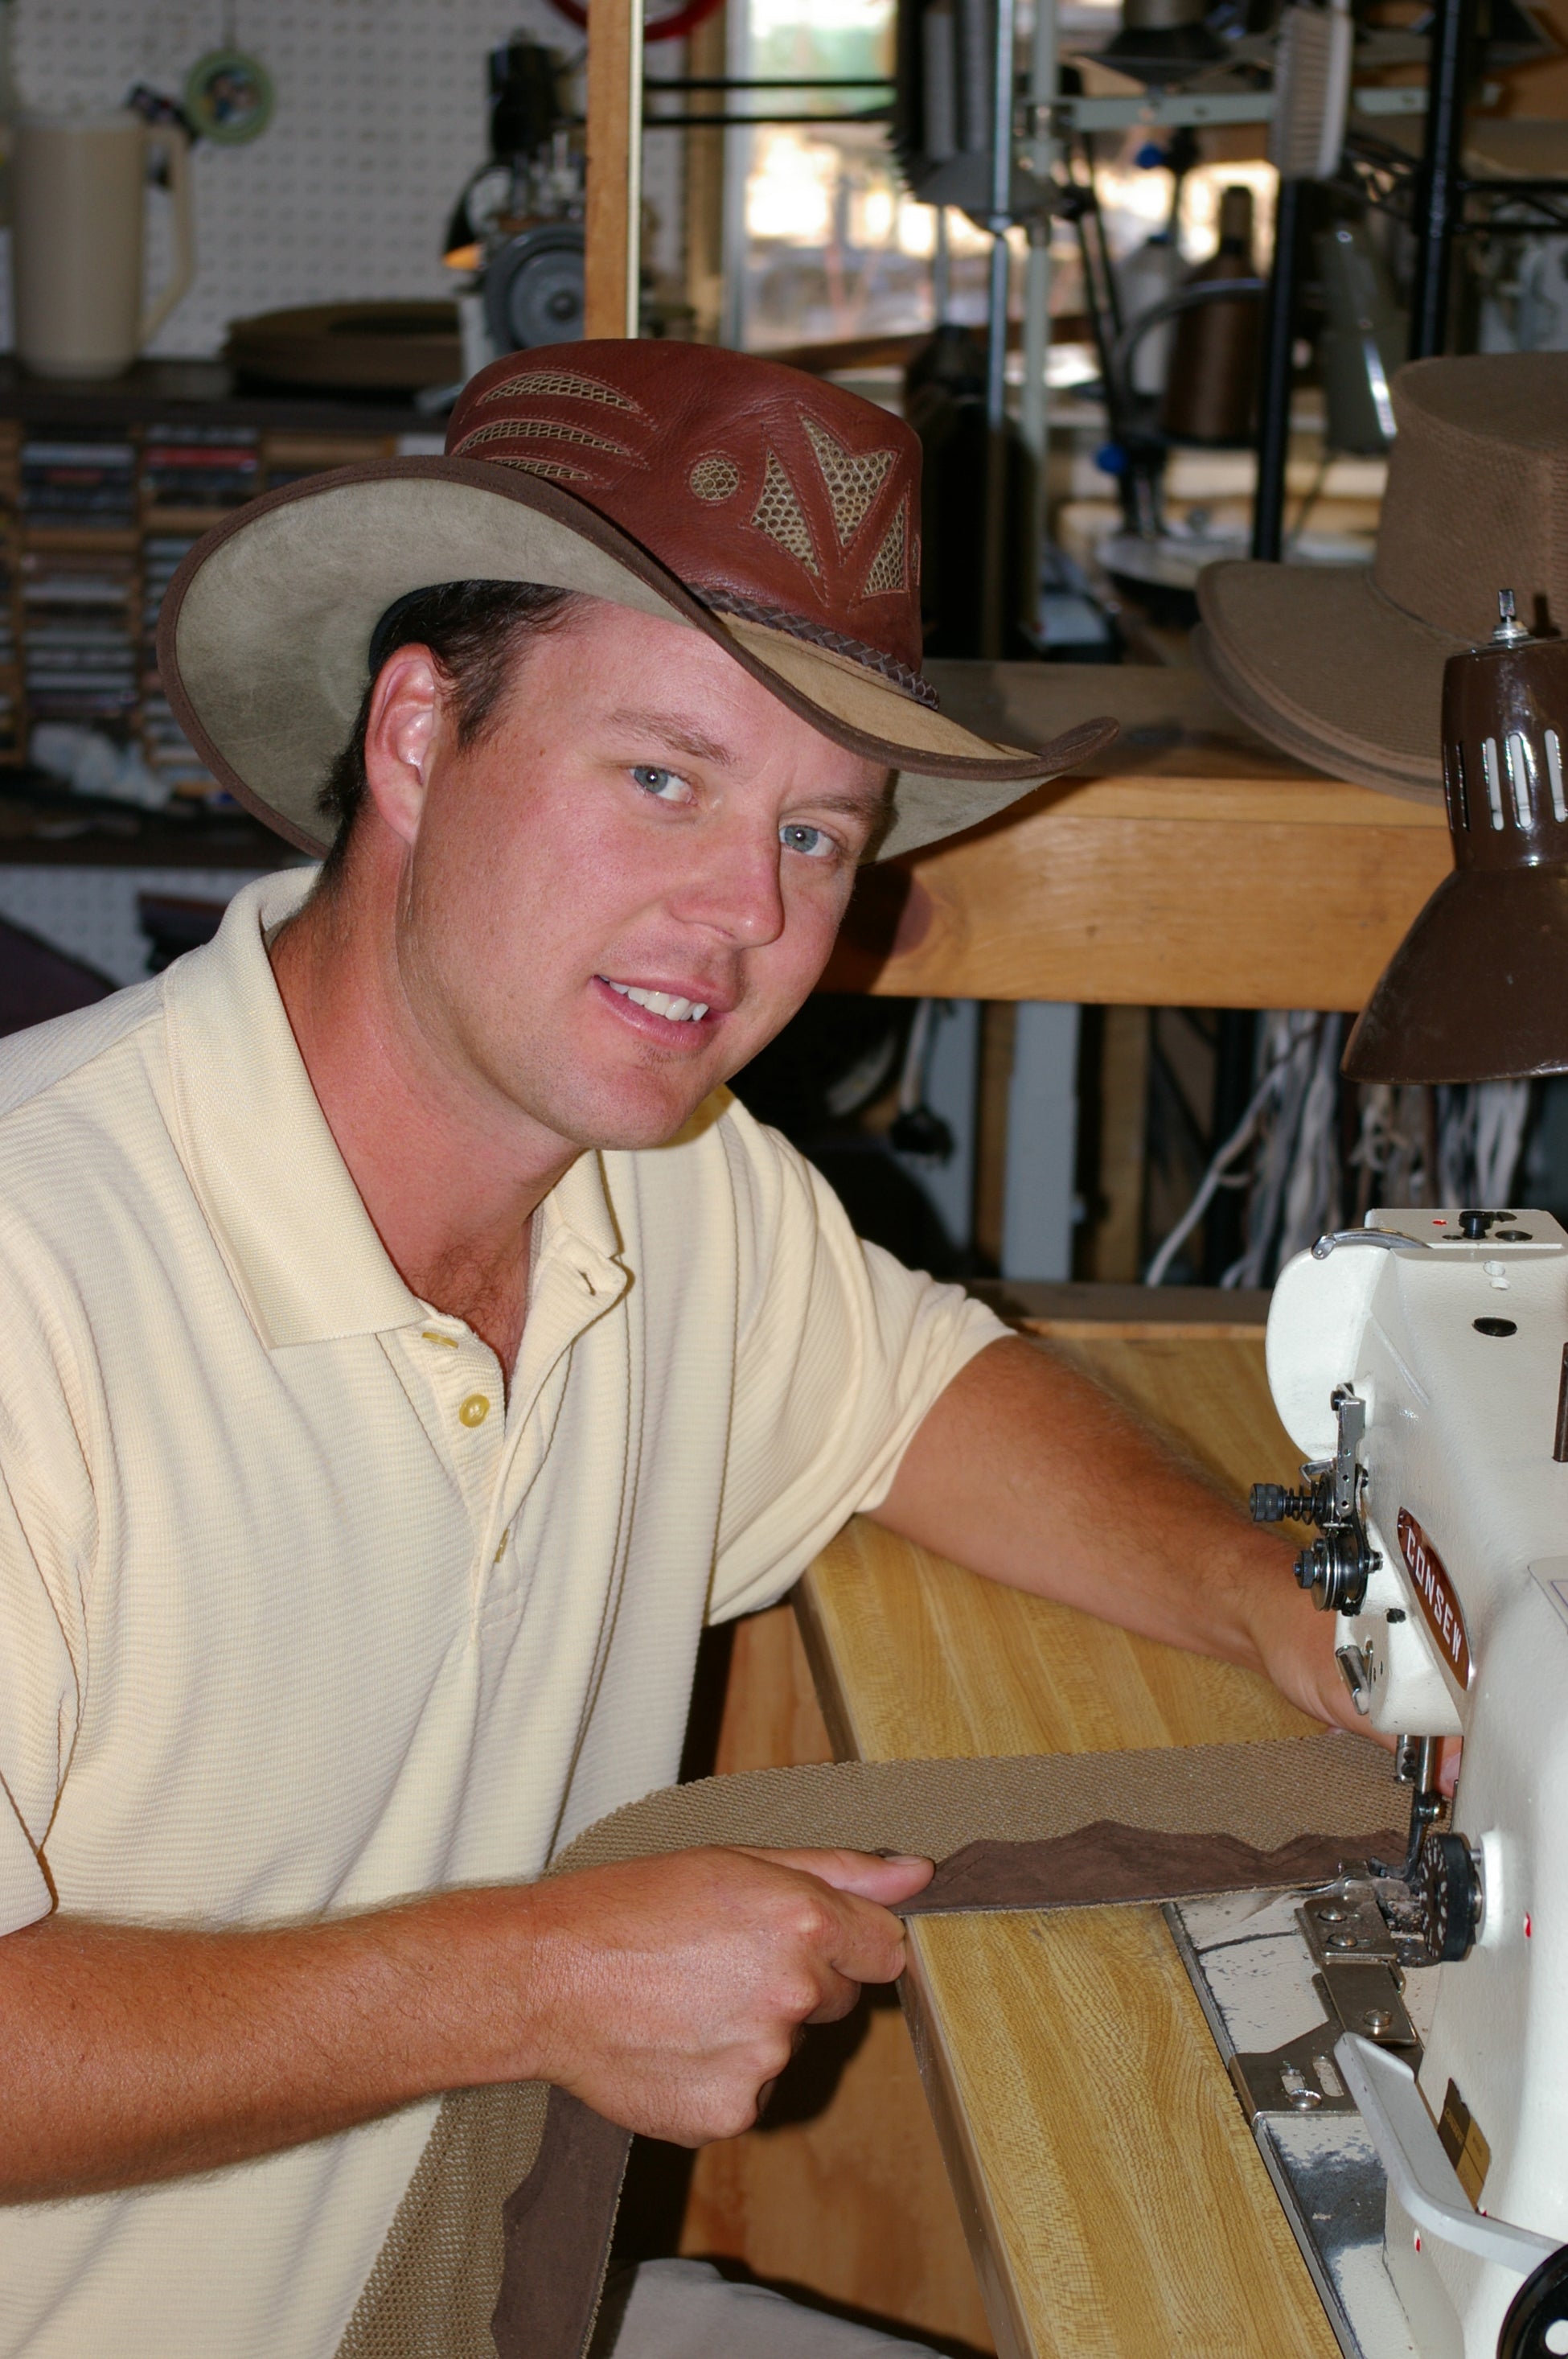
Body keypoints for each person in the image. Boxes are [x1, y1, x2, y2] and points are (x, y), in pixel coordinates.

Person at [0, 343, 1360, 2359]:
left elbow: (916, 1389)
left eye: (823, 835)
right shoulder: (40, 1270)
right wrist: (532, 1980)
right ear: (413, 736)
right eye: (665, 779)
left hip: (476, 2284)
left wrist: (1271, 1593)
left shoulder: (673, 1178)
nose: (741, 916)